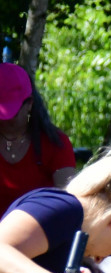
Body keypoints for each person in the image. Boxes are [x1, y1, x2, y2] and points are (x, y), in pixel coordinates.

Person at [0, 63, 76, 214]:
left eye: (12, 114)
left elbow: (69, 203)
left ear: (29, 104)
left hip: (42, 234)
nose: (5, 120)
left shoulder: (54, 143)